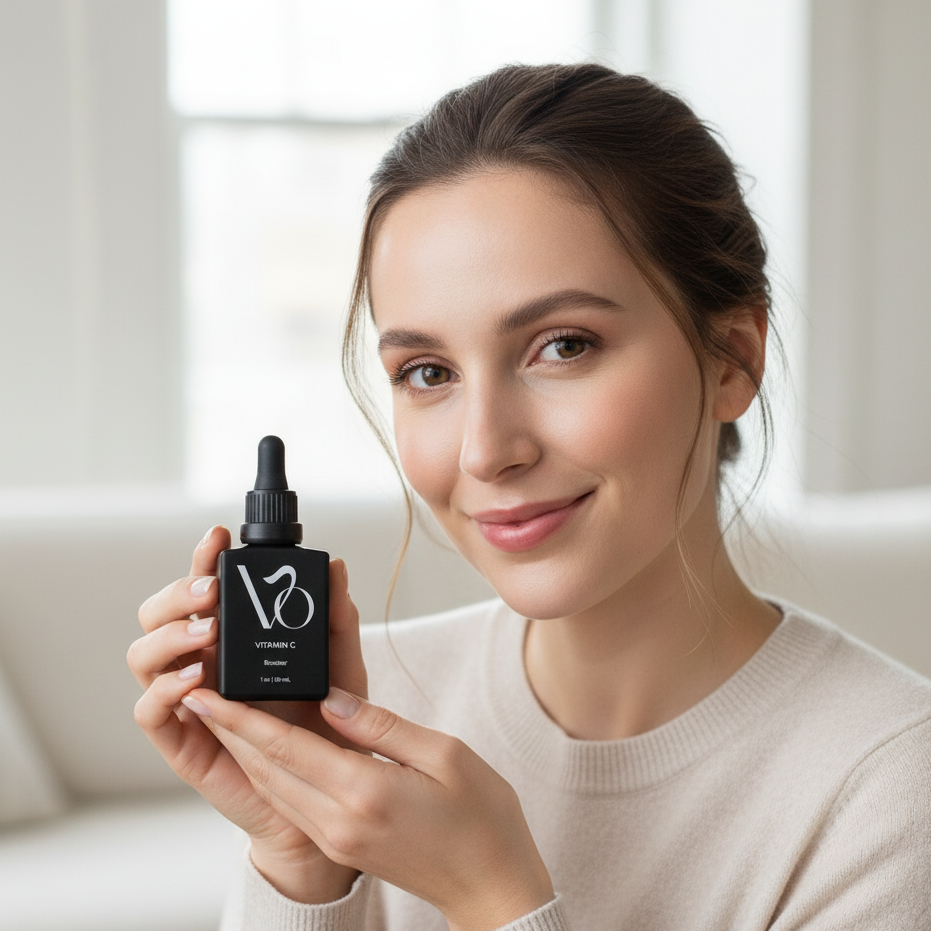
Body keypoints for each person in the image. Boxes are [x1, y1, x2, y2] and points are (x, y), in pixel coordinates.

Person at [128, 63, 931, 930]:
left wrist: (494, 900)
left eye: (563, 346)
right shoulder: (364, 707)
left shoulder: (888, 786)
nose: (484, 450)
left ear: (731, 356)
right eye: (426, 372)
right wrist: (302, 866)